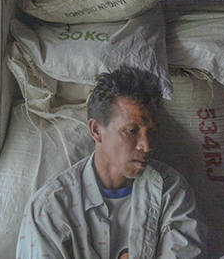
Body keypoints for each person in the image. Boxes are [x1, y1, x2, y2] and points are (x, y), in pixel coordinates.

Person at [16, 65, 207, 259]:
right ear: (96, 130)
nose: (146, 146)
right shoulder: (50, 208)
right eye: (132, 130)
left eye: (152, 131)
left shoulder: (170, 191)